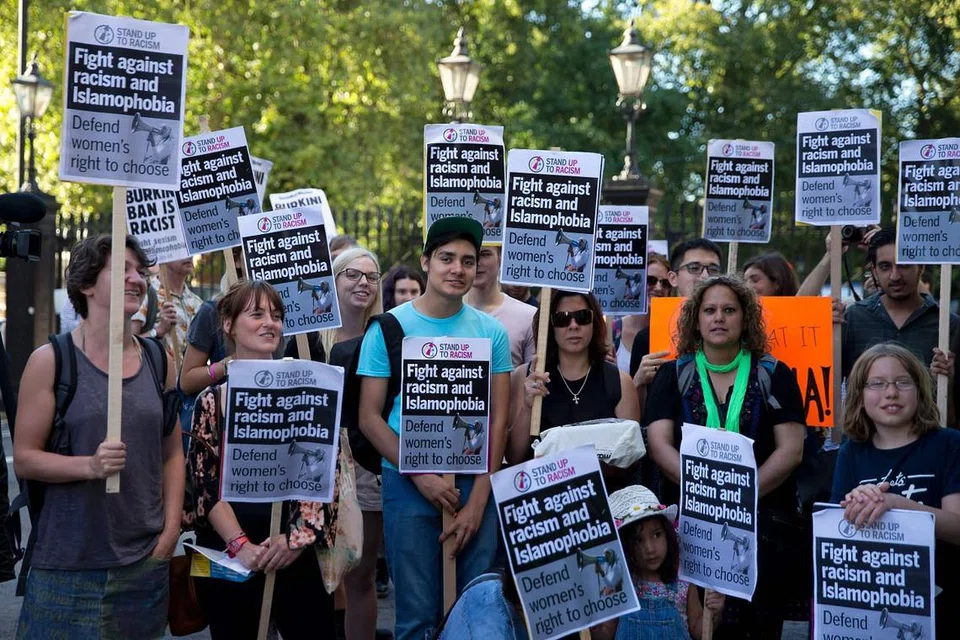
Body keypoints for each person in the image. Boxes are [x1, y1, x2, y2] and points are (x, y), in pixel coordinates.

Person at [14, 235, 184, 639]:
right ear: (87, 284)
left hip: (144, 564)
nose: (137, 279)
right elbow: (24, 457)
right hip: (67, 570)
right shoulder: (51, 361)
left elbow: (173, 452)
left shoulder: (160, 360)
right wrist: (89, 465)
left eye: (139, 271)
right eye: (122, 270)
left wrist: (170, 531)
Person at [356, 216, 512, 640]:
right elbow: (369, 417)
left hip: (474, 482)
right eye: (446, 258)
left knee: (476, 614)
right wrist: (419, 474)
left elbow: (499, 418)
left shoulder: (491, 333)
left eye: (467, 260)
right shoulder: (388, 328)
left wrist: (480, 499)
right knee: (416, 618)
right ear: (426, 261)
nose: (457, 269)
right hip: (408, 484)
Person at [643, 275, 805, 638]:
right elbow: (658, 445)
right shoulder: (673, 374)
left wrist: (738, 498)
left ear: (745, 318)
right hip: (690, 530)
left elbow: (791, 450)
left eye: (729, 310)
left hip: (761, 530)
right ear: (695, 319)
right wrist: (707, 498)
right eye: (710, 310)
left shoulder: (774, 374)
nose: (719, 318)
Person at [186, 281, 334, 638]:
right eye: (257, 314)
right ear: (229, 325)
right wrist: (242, 547)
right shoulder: (212, 401)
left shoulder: (310, 387)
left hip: (295, 551)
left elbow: (322, 470)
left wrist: (294, 540)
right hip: (230, 556)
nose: (271, 323)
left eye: (277, 316)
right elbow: (205, 486)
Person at [285, 247, 387, 640]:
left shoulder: (385, 336)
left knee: (360, 573)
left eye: (372, 276)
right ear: (333, 280)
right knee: (312, 572)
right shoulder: (307, 340)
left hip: (366, 466)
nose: (363, 282)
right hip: (314, 464)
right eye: (353, 274)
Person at [830, 343, 960, 638]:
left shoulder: (949, 445)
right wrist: (853, 505)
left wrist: (895, 503)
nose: (891, 393)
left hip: (945, 605)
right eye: (876, 384)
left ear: (920, 389)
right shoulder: (851, 453)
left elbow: (957, 526)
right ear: (859, 396)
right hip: (873, 603)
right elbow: (838, 538)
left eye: (903, 382)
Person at [507, 290, 640, 492]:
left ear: (595, 322)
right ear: (548, 325)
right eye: (562, 319)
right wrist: (527, 406)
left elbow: (630, 460)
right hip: (542, 503)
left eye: (582, 317)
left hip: (604, 501)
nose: (573, 325)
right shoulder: (525, 377)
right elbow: (514, 457)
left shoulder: (620, 381)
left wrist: (579, 464)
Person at [839, 227, 958, 427]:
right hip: (864, 446)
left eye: (904, 265)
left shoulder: (949, 326)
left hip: (929, 446)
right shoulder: (853, 318)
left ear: (921, 267)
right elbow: (825, 383)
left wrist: (949, 379)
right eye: (885, 266)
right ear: (874, 271)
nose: (895, 275)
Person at [592, 485, 724, 640]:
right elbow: (605, 634)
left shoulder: (682, 578)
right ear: (623, 547)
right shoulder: (618, 585)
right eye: (637, 541)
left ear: (668, 534)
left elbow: (698, 629)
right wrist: (593, 624)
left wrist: (714, 612)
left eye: (656, 535)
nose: (649, 548)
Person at [630, 238, 724, 407]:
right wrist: (638, 382)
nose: (705, 276)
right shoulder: (646, 338)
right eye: (694, 268)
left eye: (713, 269)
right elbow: (637, 418)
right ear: (673, 278)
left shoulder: (732, 333)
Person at [466, 245, 536, 367]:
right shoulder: (443, 313)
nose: (476, 262)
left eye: (485, 254)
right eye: (469, 255)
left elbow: (532, 375)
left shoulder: (529, 316)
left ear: (501, 258)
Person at [134, 258, 203, 359]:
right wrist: (158, 331)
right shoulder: (145, 294)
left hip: (184, 374)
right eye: (180, 248)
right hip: (156, 373)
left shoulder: (197, 303)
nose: (189, 256)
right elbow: (127, 345)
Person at [614, 252, 671, 373]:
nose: (659, 288)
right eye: (651, 280)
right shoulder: (612, 332)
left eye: (665, 283)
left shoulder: (675, 333)